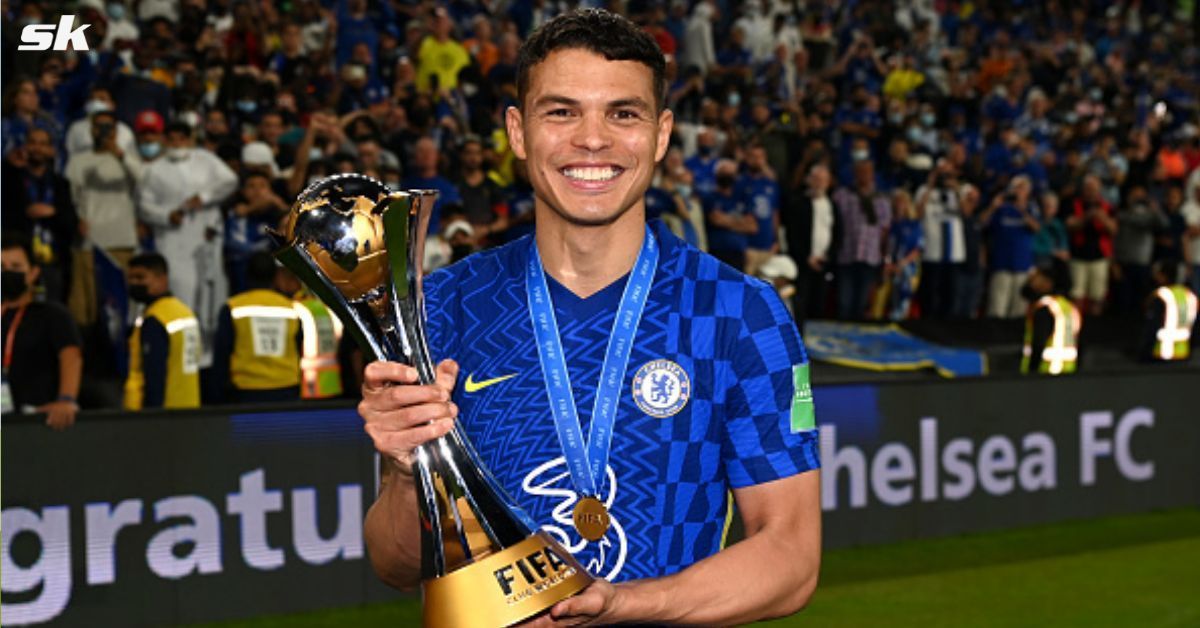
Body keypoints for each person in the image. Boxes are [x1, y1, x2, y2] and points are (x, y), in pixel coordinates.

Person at [358, 10, 820, 625]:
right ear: (518, 133)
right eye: (562, 111)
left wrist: (628, 604)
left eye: (623, 113)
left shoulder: (739, 312)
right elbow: (394, 564)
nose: (593, 139)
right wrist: (404, 470)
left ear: (660, 135)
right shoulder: (444, 307)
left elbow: (790, 558)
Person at [137, 121, 239, 343]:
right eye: (172, 139)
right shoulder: (154, 170)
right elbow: (144, 206)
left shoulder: (205, 160)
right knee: (182, 291)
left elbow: (229, 181)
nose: (177, 144)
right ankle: (183, 343)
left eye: (181, 139)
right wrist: (166, 215)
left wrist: (203, 197)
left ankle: (210, 352)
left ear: (189, 140)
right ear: (165, 140)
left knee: (212, 295)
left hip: (206, 238)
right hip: (173, 241)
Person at [1, 233, 82, 429]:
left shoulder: (52, 315)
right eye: (2, 267)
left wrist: (66, 399)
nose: (8, 272)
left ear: (33, 273)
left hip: (38, 421)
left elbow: (71, 356)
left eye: (16, 267)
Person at [210, 252, 303, 404]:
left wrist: (218, 396)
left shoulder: (232, 308)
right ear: (274, 277)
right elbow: (299, 347)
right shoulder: (291, 308)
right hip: (286, 389)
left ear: (247, 275)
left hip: (246, 392)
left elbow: (222, 355)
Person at [64, 109, 143, 268]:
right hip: (88, 239)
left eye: (109, 126)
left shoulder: (129, 158)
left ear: (116, 130)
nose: (104, 131)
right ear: (92, 130)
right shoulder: (77, 160)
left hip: (121, 238)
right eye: (99, 126)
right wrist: (78, 219)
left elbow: (144, 179)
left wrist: (118, 153)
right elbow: (70, 197)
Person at [123, 252, 202, 410]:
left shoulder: (156, 319)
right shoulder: (184, 312)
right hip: (189, 407)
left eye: (140, 278)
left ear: (162, 278)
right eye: (130, 278)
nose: (133, 283)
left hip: (163, 413)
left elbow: (154, 377)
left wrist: (151, 417)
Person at [832, 159, 892, 320]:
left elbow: (885, 231)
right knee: (844, 302)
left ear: (873, 175)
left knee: (862, 302)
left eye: (867, 172)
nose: (864, 175)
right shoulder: (842, 195)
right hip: (846, 254)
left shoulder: (882, 200)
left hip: (870, 257)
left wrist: (885, 257)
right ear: (854, 173)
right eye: (860, 172)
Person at [782, 163, 836, 330]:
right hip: (801, 262)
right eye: (816, 179)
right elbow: (792, 234)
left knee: (818, 302)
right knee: (800, 302)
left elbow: (837, 234)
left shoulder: (832, 205)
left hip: (823, 262)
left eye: (823, 180)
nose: (819, 183)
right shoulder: (798, 203)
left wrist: (828, 256)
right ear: (809, 180)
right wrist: (806, 257)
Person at [982, 176, 1041, 319]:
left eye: (1022, 188)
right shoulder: (1001, 207)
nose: (1018, 191)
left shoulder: (1031, 207)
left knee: (1019, 308)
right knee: (997, 307)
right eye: (1016, 187)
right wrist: (992, 207)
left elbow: (1037, 228)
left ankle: (1014, 339)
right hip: (1001, 263)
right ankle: (995, 338)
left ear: (1028, 191)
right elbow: (982, 223)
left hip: (1022, 265)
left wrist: (1023, 210)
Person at [1020, 257, 1081, 376]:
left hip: (1045, 373)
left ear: (1048, 281)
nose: (1031, 279)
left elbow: (1038, 344)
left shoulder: (1045, 307)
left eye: (1036, 275)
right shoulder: (1068, 307)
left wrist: (1031, 372)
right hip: (1068, 371)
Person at [1139, 260, 1197, 363]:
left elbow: (1151, 326)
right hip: (1184, 353)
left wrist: (1143, 354)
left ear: (1164, 276)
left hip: (1161, 353)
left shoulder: (1163, 295)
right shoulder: (1189, 295)